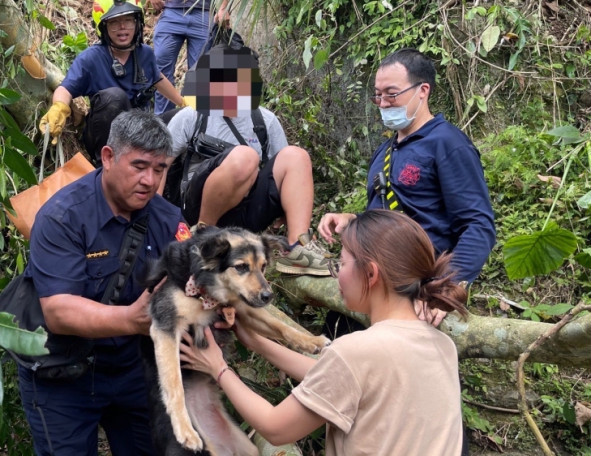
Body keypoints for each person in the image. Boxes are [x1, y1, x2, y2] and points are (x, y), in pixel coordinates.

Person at [180, 209, 469, 455]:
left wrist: (218, 368)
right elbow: (334, 376)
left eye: (341, 263)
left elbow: (275, 427)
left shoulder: (358, 351)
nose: (337, 273)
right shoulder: (442, 344)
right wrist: (256, 341)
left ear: (371, 274)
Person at [19, 111, 184, 456]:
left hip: (132, 369)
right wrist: (132, 319)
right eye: (139, 166)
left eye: (160, 169)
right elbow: (59, 310)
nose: (150, 181)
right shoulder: (62, 216)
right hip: (63, 373)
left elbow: (190, 282)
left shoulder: (167, 219)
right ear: (108, 157)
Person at [318, 48, 496, 328]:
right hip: (371, 281)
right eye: (378, 95)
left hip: (413, 289)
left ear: (422, 90)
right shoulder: (385, 150)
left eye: (392, 93)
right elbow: (389, 213)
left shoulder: (448, 144)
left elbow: (477, 224)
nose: (383, 103)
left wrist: (445, 288)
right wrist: (351, 219)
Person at [164, 45, 334, 276]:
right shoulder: (191, 116)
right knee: (246, 156)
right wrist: (154, 219)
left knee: (297, 156)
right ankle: (202, 240)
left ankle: (297, 249)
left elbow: (286, 174)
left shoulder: (264, 121)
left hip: (245, 214)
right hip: (197, 208)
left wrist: (288, 212)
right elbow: (159, 166)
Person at [38, 0, 188, 164]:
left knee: (186, 116)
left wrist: (181, 103)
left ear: (137, 24)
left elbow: (158, 78)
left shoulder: (144, 53)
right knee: (114, 96)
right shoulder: (91, 58)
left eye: (128, 21)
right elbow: (65, 89)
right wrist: (59, 108)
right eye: (114, 23)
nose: (122, 27)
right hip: (105, 136)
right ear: (104, 28)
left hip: (140, 128)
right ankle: (105, 165)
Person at [150, 0, 211, 115]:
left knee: (202, 74)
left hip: (204, 11)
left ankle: (196, 124)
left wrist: (223, 7)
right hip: (171, 10)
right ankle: (164, 122)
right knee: (160, 68)